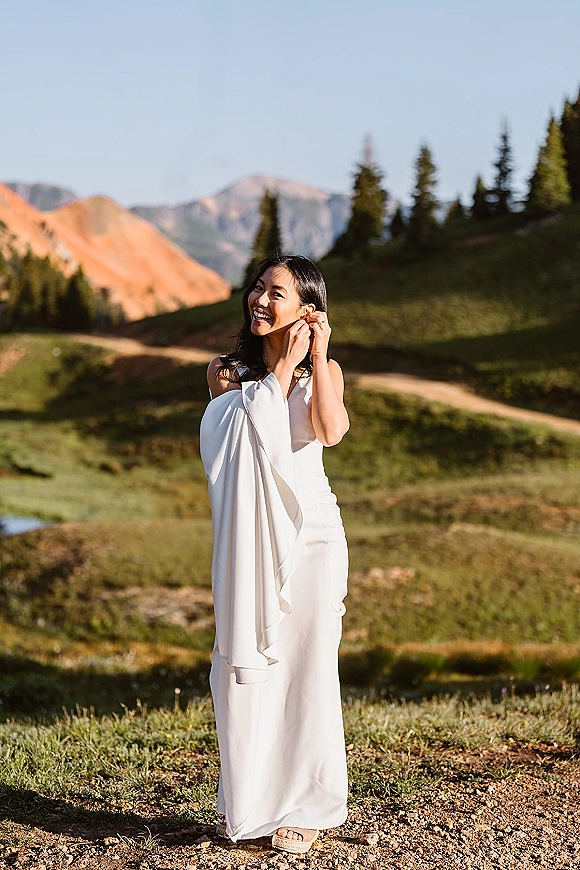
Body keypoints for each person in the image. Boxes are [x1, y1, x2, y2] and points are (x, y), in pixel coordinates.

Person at [199, 254, 350, 855]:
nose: (260, 300)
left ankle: (311, 807)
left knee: (310, 668)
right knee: (249, 670)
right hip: (253, 542)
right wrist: (263, 379)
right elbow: (227, 452)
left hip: (312, 538)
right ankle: (254, 804)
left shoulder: (323, 372)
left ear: (305, 310)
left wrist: (307, 359)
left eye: (276, 293)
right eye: (258, 287)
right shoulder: (230, 375)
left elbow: (330, 431)